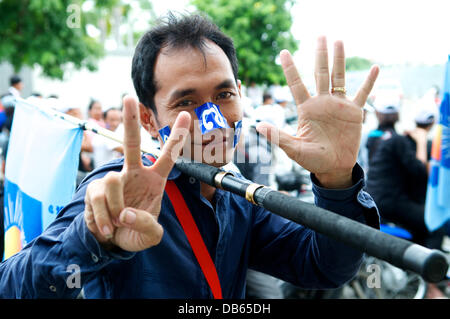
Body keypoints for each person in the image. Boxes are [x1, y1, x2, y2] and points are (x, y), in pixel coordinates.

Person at [0, 13, 380, 298]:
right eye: (186, 102)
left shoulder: (237, 194)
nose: (212, 121)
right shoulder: (116, 189)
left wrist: (337, 182)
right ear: (149, 119)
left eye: (224, 95)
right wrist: (94, 240)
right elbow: (11, 286)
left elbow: (324, 266)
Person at [365, 107, 447, 298]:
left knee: (420, 227)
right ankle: (431, 286)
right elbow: (419, 170)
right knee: (434, 226)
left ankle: (418, 275)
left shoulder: (376, 138)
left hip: (374, 201)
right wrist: (420, 142)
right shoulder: (401, 141)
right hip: (389, 202)